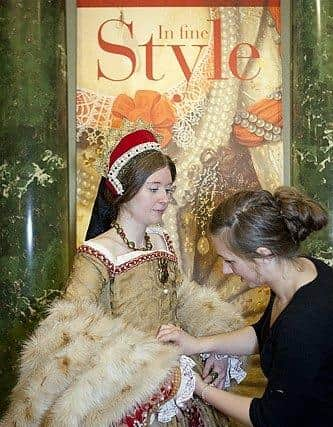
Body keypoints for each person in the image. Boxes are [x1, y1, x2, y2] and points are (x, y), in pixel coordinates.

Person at [2, 122, 245, 427]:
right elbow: (70, 327)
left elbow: (181, 295)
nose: (164, 199)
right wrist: (148, 364)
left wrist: (216, 343)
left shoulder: (160, 240)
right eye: (153, 189)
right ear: (123, 190)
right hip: (128, 391)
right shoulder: (98, 252)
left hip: (178, 377)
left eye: (167, 189)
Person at [158, 187, 333, 427]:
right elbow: (265, 332)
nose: (225, 270)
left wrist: (197, 387)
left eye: (231, 261)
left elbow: (269, 417)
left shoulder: (303, 323)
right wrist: (199, 344)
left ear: (263, 254)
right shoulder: (302, 271)